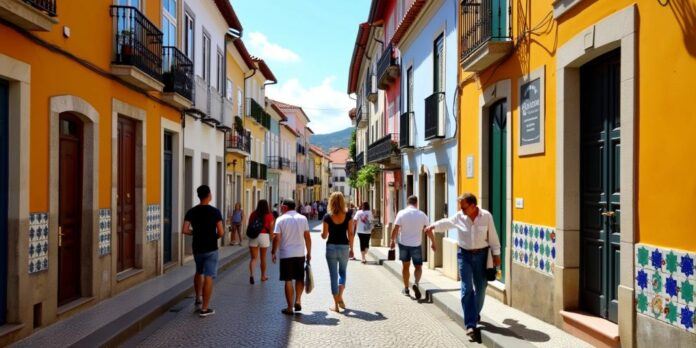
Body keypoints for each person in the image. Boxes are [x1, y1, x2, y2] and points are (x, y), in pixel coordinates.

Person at [425, 193, 501, 338]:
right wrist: (433, 226)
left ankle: (474, 313)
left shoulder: (486, 216)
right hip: (464, 254)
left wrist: (496, 256)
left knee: (481, 287)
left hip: (482, 256)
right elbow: (447, 222)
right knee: (466, 289)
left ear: (473, 206)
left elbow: (493, 237)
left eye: (464, 206)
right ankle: (470, 324)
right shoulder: (460, 216)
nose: (461, 209)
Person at [182, 185, 224, 317]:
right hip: (211, 248)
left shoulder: (191, 211)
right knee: (209, 276)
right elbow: (221, 232)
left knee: (198, 271)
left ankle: (197, 298)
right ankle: (205, 309)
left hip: (197, 248)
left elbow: (184, 230)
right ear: (209, 195)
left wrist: (195, 233)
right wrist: (213, 236)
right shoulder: (215, 212)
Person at [390, 195, 436, 300]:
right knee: (418, 267)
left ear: (407, 202)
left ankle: (406, 289)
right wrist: (433, 242)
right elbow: (428, 230)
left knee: (405, 267)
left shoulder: (401, 213)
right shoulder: (422, 214)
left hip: (404, 244)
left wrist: (392, 241)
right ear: (417, 203)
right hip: (416, 245)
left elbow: (395, 228)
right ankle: (416, 283)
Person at [272, 200, 312, 315]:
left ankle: (289, 307)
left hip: (286, 255)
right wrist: (309, 252)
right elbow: (307, 237)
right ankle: (298, 300)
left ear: (285, 207)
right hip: (300, 254)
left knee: (288, 280)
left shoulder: (280, 219)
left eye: (282, 206)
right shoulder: (303, 218)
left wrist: (273, 252)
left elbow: (277, 238)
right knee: (299, 278)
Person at [321, 192, 355, 312]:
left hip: (331, 247)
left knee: (333, 276)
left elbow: (324, 236)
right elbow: (350, 233)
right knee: (342, 272)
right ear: (342, 202)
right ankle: (340, 296)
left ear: (331, 201)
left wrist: (322, 233)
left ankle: (335, 305)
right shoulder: (348, 215)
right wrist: (352, 248)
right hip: (344, 247)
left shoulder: (327, 216)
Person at [248, 199, 274, 284]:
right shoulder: (269, 215)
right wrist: (271, 238)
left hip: (254, 236)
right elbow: (271, 229)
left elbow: (249, 225)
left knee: (254, 258)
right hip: (264, 236)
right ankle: (263, 276)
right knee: (263, 258)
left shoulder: (253, 214)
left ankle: (252, 275)